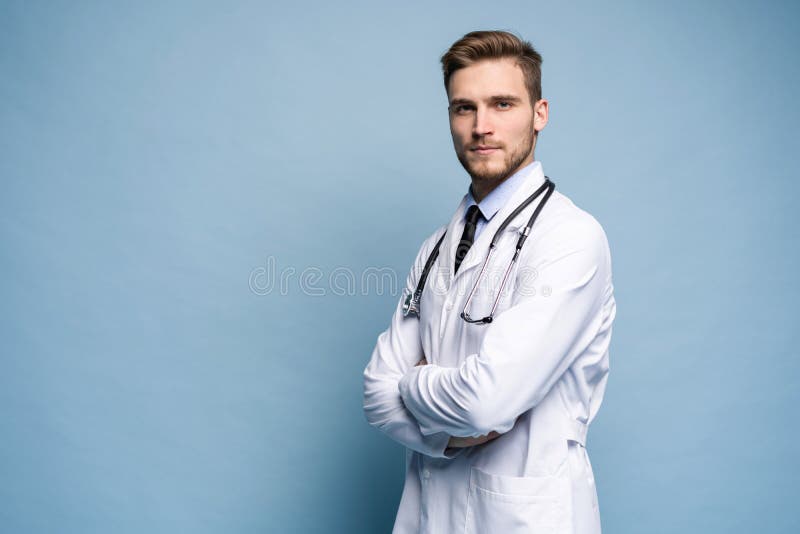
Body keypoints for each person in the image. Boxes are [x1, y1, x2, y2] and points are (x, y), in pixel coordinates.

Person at [363, 30, 616, 534]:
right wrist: (449, 436)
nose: (482, 126)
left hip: (523, 517)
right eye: (464, 108)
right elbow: (375, 394)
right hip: (430, 515)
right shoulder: (437, 246)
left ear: (539, 113)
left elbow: (488, 402)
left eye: (502, 104)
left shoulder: (570, 238)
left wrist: (412, 383)